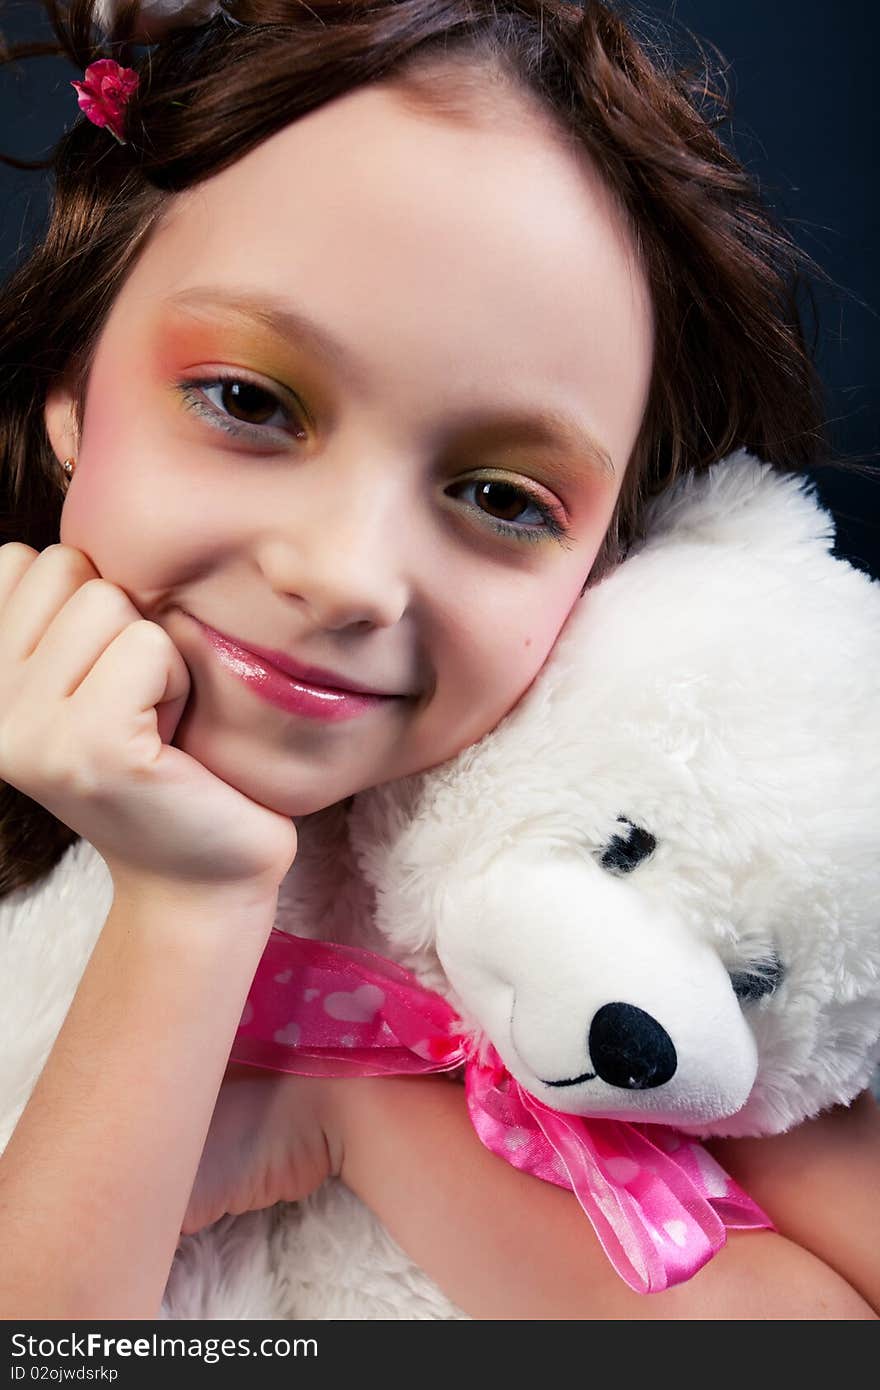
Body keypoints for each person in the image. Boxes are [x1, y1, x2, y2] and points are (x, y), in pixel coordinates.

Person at [0, 0, 876, 1320]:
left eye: (503, 496)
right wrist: (188, 900)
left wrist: (365, 1125)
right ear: (74, 379)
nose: (347, 574)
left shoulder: (608, 848)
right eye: (247, 400)